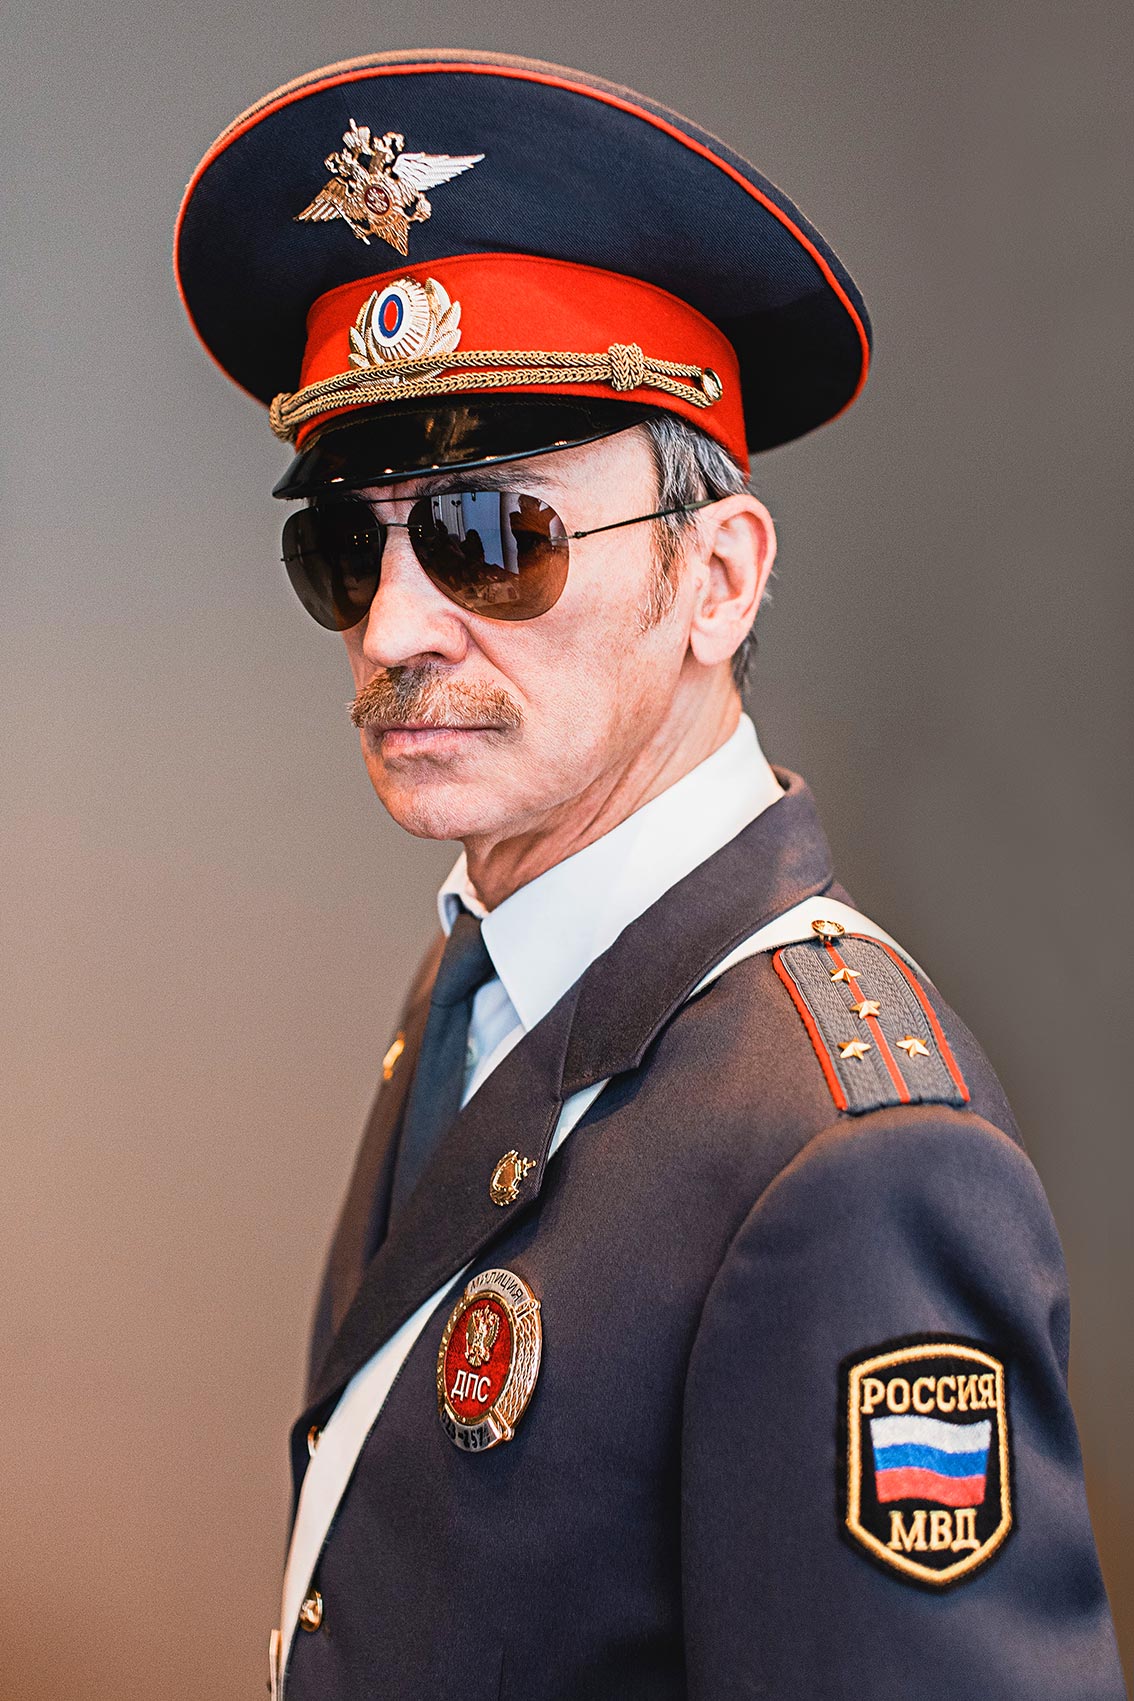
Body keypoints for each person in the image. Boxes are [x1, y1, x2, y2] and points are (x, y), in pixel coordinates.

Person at [175, 49, 1127, 1701]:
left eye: (492, 535)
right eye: (346, 546)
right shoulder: (488, 973)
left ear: (716, 580)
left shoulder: (845, 1155)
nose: (393, 630)